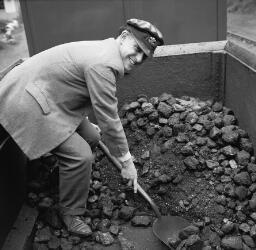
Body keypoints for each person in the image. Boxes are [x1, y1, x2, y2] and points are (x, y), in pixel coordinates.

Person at [0, 18, 164, 236]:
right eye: (137, 49)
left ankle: (63, 178)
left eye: (144, 55)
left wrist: (86, 123)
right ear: (124, 37)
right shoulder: (104, 63)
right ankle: (70, 212)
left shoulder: (105, 51)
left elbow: (73, 87)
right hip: (28, 102)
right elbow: (109, 118)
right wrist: (127, 162)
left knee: (93, 138)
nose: (138, 58)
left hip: (49, 96)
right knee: (80, 156)